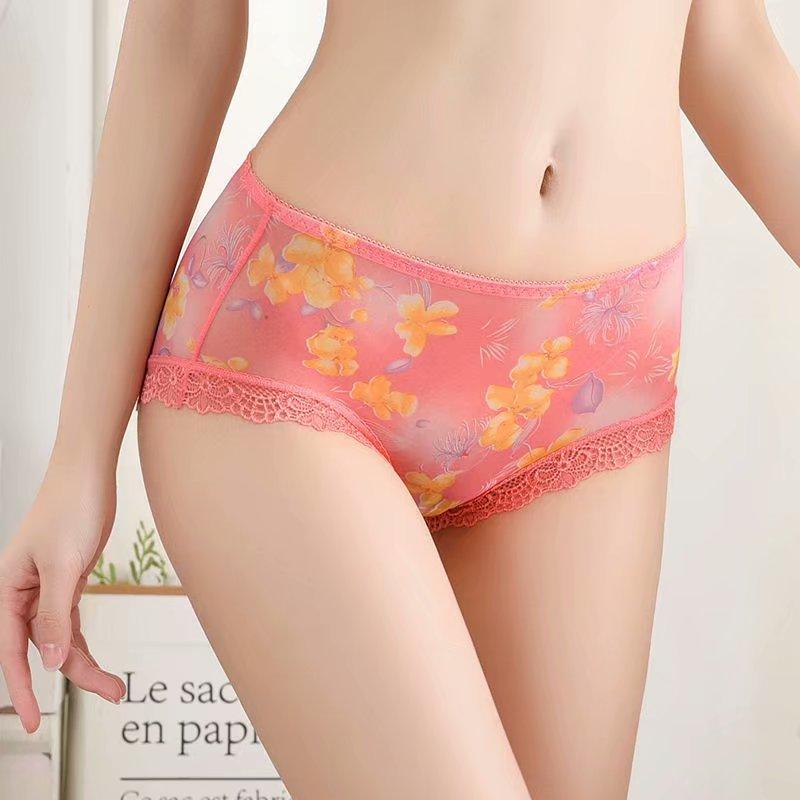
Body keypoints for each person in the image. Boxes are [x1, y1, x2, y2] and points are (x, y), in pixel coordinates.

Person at [1, 2, 798, 798]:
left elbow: (728, 38)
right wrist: (80, 458)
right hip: (308, 342)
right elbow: (184, 32)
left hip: (596, 370)